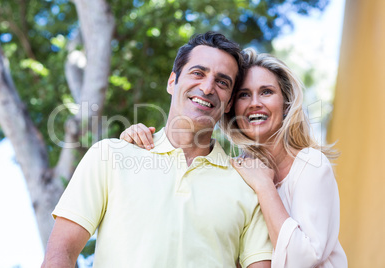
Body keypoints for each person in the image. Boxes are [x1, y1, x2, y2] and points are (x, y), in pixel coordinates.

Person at [41, 32, 272, 268]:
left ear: (230, 102)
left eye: (222, 82)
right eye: (198, 73)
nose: (207, 87)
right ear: (172, 82)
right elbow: (60, 255)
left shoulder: (248, 186)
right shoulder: (110, 156)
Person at [121, 48, 348, 267]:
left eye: (266, 92)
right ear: (232, 108)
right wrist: (138, 142)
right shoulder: (237, 173)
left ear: (286, 103)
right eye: (243, 95)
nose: (255, 103)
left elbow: (302, 260)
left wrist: (264, 186)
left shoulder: (310, 165)